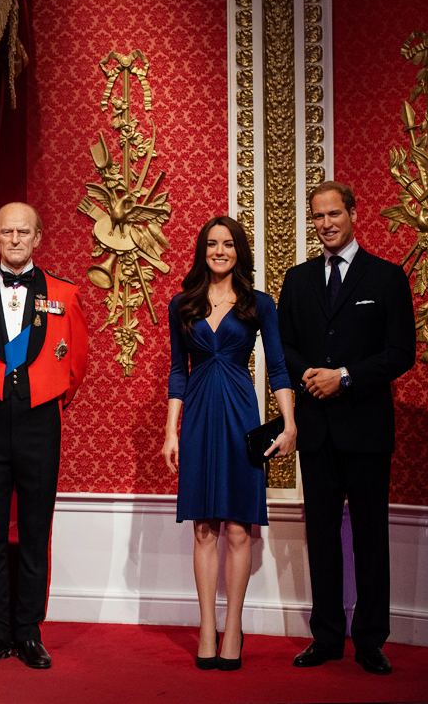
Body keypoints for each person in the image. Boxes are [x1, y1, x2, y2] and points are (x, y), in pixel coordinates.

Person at [278, 182, 415, 676]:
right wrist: (310, 375)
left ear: (353, 214)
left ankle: (371, 641)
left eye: (334, 214)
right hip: (316, 431)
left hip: (367, 429)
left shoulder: (387, 278)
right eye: (318, 217)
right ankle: (327, 637)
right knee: (321, 538)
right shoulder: (297, 280)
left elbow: (402, 353)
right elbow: (284, 344)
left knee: (370, 539)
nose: (327, 223)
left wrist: (347, 378)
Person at [0, 202, 89, 669]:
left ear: (38, 237)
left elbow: (78, 359)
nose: (14, 239)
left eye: (23, 232)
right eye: (6, 231)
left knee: (33, 528)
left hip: (39, 421)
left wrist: (46, 397)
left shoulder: (64, 293)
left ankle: (28, 632)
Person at [161, 216, 297, 672]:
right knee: (204, 527)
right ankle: (206, 627)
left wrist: (289, 424)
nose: (220, 251)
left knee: (239, 528)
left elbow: (278, 367)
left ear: (240, 251)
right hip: (198, 415)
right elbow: (178, 371)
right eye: (212, 244)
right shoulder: (181, 303)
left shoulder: (260, 304)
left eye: (228, 244)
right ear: (202, 250)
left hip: (241, 412)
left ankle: (233, 627)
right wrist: (169, 431)